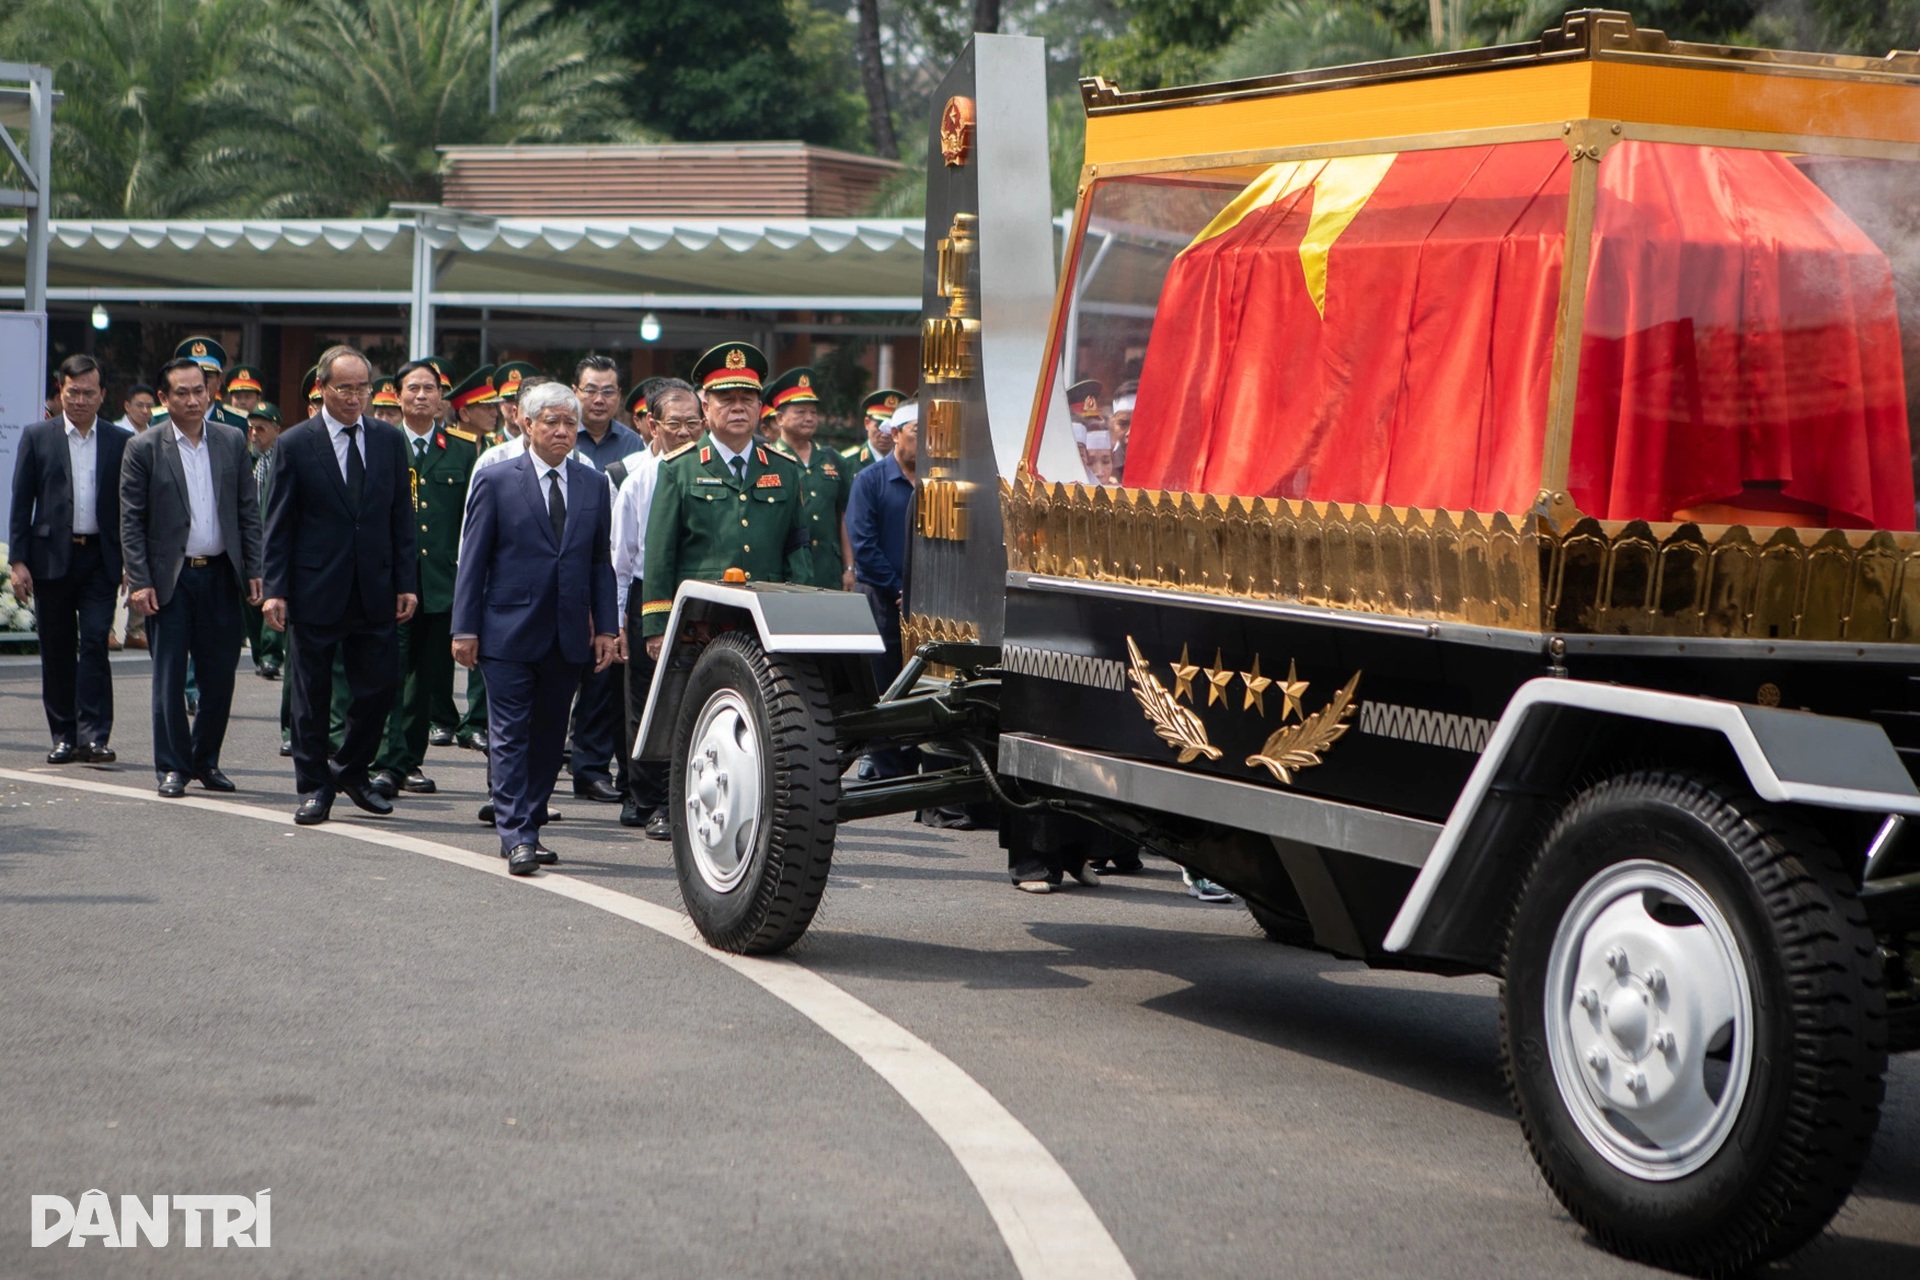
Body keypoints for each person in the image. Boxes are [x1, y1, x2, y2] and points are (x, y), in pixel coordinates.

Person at [452, 382, 617, 874]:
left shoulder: (592, 484)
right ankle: (516, 834)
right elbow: (473, 561)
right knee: (508, 735)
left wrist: (606, 628)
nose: (563, 431)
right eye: (552, 422)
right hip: (506, 630)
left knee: (549, 738)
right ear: (527, 424)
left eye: (571, 423)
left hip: (568, 635)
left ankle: (530, 823)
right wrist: (465, 628)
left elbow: (598, 563)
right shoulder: (498, 479)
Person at [263, 344, 419, 826]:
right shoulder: (294, 443)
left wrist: (406, 581)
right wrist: (275, 588)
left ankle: (350, 769)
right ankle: (314, 787)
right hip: (315, 588)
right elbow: (279, 523)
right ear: (322, 388)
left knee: (380, 688)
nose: (355, 398)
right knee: (311, 698)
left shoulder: (389, 441)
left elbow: (401, 517)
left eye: (363, 388)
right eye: (344, 388)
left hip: (374, 587)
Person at [119, 357, 264, 797]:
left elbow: (247, 511)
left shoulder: (231, 440)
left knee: (220, 677)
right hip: (171, 580)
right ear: (164, 399)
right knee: (168, 677)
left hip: (221, 575)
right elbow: (131, 521)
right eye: (181, 392)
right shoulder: (144, 448)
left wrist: (255, 569)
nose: (192, 399)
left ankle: (206, 761)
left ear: (210, 392)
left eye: (199, 390)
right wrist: (141, 581)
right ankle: (172, 767)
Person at [639, 342, 810, 659]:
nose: (738, 408)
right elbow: (660, 552)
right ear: (705, 407)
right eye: (726, 399)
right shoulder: (679, 468)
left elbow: (796, 547)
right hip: (699, 623)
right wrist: (657, 626)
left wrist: (801, 611)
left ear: (760, 408)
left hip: (766, 618)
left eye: (747, 399)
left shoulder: (784, 469)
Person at [9, 354, 132, 763]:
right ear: (60, 392)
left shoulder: (119, 441)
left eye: (88, 392)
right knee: (57, 648)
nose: (79, 400)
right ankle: (63, 734)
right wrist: (19, 561)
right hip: (49, 559)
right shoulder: (37, 436)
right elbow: (21, 501)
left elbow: (130, 506)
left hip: (99, 557)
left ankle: (94, 735)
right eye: (72, 391)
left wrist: (132, 560)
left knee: (96, 641)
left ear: (102, 396)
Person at [370, 360, 482, 799]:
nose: (421, 396)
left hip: (440, 585)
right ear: (397, 396)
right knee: (388, 675)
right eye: (412, 388)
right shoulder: (380, 444)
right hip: (390, 583)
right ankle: (385, 761)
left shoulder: (463, 449)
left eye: (429, 389)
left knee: (425, 679)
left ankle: (409, 761)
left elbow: (471, 523)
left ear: (442, 397)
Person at [610, 377, 700, 836]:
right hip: (649, 595)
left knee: (692, 697)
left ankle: (680, 796)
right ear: (651, 426)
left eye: (693, 423)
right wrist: (622, 621)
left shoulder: (708, 471)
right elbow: (622, 560)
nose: (685, 432)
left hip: (701, 596)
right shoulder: (639, 479)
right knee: (645, 701)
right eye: (675, 423)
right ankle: (644, 797)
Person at [845, 402, 918, 780]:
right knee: (883, 684)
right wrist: (898, 588)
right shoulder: (870, 480)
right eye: (918, 432)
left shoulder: (936, 483)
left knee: (920, 682)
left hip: (926, 603)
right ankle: (887, 768)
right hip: (882, 599)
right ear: (896, 434)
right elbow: (864, 544)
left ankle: (914, 762)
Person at [765, 367, 856, 591]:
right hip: (785, 571)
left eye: (813, 412)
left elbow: (844, 516)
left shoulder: (833, 460)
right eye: (800, 412)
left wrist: (849, 568)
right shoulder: (767, 460)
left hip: (828, 570)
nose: (809, 418)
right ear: (780, 418)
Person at [242, 403, 285, 680]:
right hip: (249, 540)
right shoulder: (246, 460)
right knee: (250, 599)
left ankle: (271, 655)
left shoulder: (284, 458)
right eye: (251, 429)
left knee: (270, 594)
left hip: (273, 539)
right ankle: (259, 653)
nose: (255, 435)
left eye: (261, 429)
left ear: (276, 430)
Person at [843, 389, 903, 476]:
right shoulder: (848, 462)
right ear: (867, 423)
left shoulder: (906, 464)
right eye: (879, 426)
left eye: (891, 428)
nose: (885, 434)